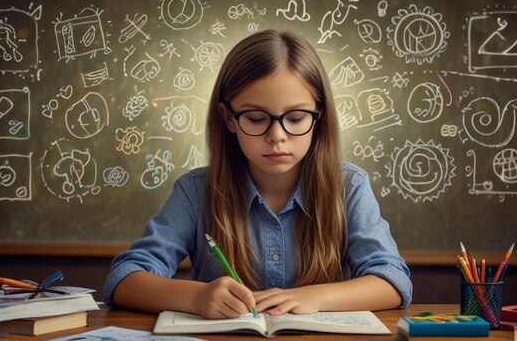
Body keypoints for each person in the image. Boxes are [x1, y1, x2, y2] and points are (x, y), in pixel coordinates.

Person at [103, 29, 412, 319]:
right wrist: (196, 298)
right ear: (228, 118)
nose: (277, 135)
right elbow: (124, 279)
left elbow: (392, 281)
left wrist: (315, 297)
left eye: (295, 117)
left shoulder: (349, 187)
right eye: (255, 118)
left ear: (319, 116)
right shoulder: (196, 191)